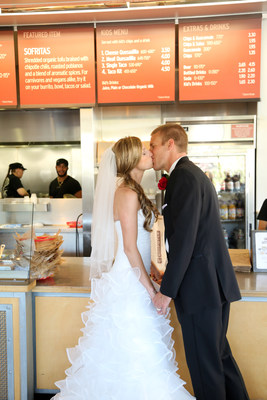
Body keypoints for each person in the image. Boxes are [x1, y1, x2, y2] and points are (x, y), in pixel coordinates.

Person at [51, 137, 194, 400]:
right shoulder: (126, 193)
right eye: (144, 152)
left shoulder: (135, 189)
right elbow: (129, 249)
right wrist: (151, 291)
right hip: (130, 281)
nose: (151, 154)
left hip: (139, 277)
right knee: (132, 352)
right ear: (130, 160)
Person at [150, 124, 249, 400]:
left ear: (170, 144)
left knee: (206, 368)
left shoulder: (182, 177)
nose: (151, 151)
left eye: (153, 145)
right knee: (219, 358)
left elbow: (184, 240)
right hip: (213, 284)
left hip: (199, 289)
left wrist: (166, 291)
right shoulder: (194, 175)